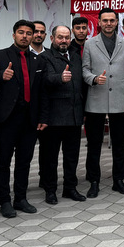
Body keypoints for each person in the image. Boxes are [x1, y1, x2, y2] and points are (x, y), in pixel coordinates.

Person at [0, 19, 46, 218]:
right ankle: (4, 200)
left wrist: (42, 116)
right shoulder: (0, 55)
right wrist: (0, 75)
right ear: (14, 35)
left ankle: (20, 198)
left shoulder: (38, 60)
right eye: (21, 32)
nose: (25, 36)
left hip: (29, 119)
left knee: (24, 161)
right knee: (3, 161)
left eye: (29, 33)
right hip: (7, 118)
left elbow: (42, 91)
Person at [82, 7, 124, 198]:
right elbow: (84, 70)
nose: (108, 23)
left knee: (120, 144)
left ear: (116, 22)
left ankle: (118, 180)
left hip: (120, 101)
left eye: (112, 20)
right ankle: (94, 181)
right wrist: (94, 79)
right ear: (99, 22)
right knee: (94, 144)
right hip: (95, 100)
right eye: (105, 20)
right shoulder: (90, 44)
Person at [37, 25, 88, 204]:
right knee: (50, 158)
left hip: (74, 116)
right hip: (53, 117)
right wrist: (59, 78)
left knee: (72, 157)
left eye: (67, 37)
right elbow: (44, 81)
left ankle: (70, 188)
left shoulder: (75, 55)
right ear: (52, 39)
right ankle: (50, 190)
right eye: (60, 37)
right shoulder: (45, 57)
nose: (64, 40)